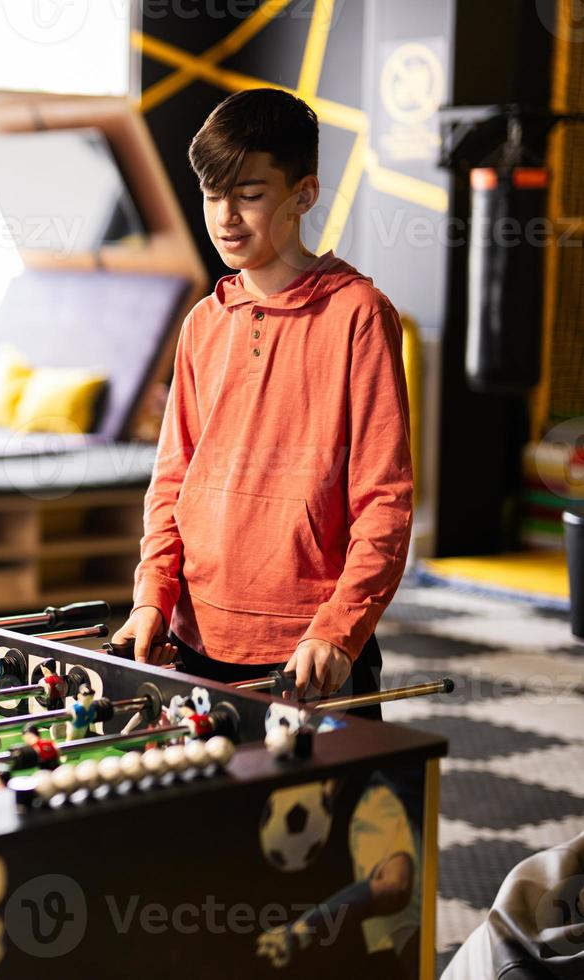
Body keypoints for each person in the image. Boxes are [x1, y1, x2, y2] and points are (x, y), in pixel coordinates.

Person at [114, 89, 412, 714]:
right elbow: (172, 480)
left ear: (303, 194)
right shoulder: (202, 322)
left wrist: (340, 627)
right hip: (192, 635)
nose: (225, 217)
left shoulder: (359, 315)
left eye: (249, 195)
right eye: (212, 194)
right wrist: (152, 596)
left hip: (309, 648)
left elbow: (385, 498)